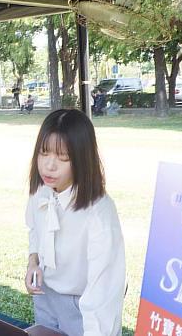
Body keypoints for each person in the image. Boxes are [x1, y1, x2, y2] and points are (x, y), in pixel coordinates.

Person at [25, 109, 125, 336]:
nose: (49, 166)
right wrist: (33, 263)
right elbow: (34, 230)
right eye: (43, 153)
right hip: (45, 296)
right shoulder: (41, 190)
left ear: (81, 159)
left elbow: (103, 292)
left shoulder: (98, 213)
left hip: (82, 306)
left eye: (63, 157)